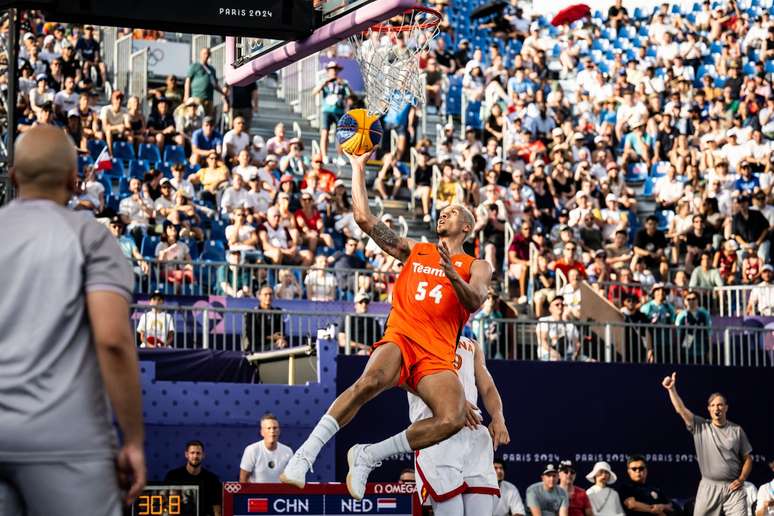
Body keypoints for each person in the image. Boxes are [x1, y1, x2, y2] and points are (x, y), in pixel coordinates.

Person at [281, 151, 491, 500]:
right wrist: (358, 167)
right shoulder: (417, 250)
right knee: (369, 382)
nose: (444, 213)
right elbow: (364, 218)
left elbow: (476, 300)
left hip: (437, 353)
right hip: (403, 335)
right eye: (442, 211)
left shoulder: (476, 265)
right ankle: (305, 455)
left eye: (452, 212)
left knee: (453, 418)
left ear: (467, 227)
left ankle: (368, 455)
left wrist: (454, 276)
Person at [0, 126, 145, 512]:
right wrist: (132, 439)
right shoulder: (92, 238)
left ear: (13, 175)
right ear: (73, 178)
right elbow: (112, 340)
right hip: (67, 441)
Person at [409, 336, 509, 516]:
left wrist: (498, 416)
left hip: (473, 434)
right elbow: (401, 379)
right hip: (437, 434)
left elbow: (487, 387)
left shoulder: (471, 345)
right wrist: (452, 401)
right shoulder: (415, 337)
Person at [662, 373, 753, 516]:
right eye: (713, 405)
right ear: (709, 409)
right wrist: (671, 389)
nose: (717, 408)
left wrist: (741, 479)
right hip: (708, 487)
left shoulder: (737, 430)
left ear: (726, 408)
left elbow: (748, 458)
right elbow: (681, 410)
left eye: (720, 405)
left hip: (733, 488)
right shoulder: (701, 426)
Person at [164, 440, 222, 516]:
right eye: (192, 453)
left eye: (198, 453)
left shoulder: (212, 479)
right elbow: (166, 505)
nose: (195, 456)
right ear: (186, 454)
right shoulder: (173, 476)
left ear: (203, 455)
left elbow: (217, 510)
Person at [313, 61, 351, 165]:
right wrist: (324, 83)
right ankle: (324, 155)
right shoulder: (324, 81)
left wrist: (344, 84)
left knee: (340, 134)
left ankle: (340, 156)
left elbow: (350, 96)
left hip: (339, 111)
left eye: (335, 69)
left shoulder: (343, 82)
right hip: (327, 110)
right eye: (331, 69)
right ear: (328, 71)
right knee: (325, 132)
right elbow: (314, 92)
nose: (333, 71)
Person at [239, 413, 293, 483]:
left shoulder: (288, 451)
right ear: (262, 432)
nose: (272, 431)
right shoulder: (251, 450)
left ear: (279, 431)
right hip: (256, 493)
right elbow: (243, 479)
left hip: (280, 493)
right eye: (268, 428)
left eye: (275, 428)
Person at [246, 286, 288, 351]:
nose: (268, 297)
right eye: (265, 294)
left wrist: (280, 339)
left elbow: (281, 332)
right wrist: (271, 337)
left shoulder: (277, 312)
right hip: (257, 347)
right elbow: (253, 337)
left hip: (274, 345)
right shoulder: (252, 313)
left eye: (270, 294)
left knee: (283, 344)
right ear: (259, 296)